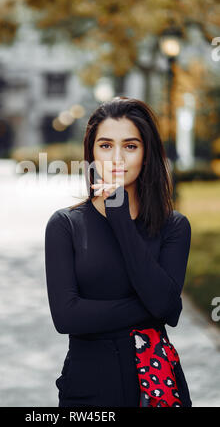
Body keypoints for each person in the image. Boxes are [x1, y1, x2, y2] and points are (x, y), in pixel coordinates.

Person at [44, 96, 192, 407]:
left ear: (147, 153)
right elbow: (66, 318)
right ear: (92, 153)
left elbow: (166, 305)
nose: (117, 158)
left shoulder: (174, 226)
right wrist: (156, 308)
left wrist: (120, 218)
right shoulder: (65, 226)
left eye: (131, 146)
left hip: (157, 388)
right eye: (106, 145)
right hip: (88, 392)